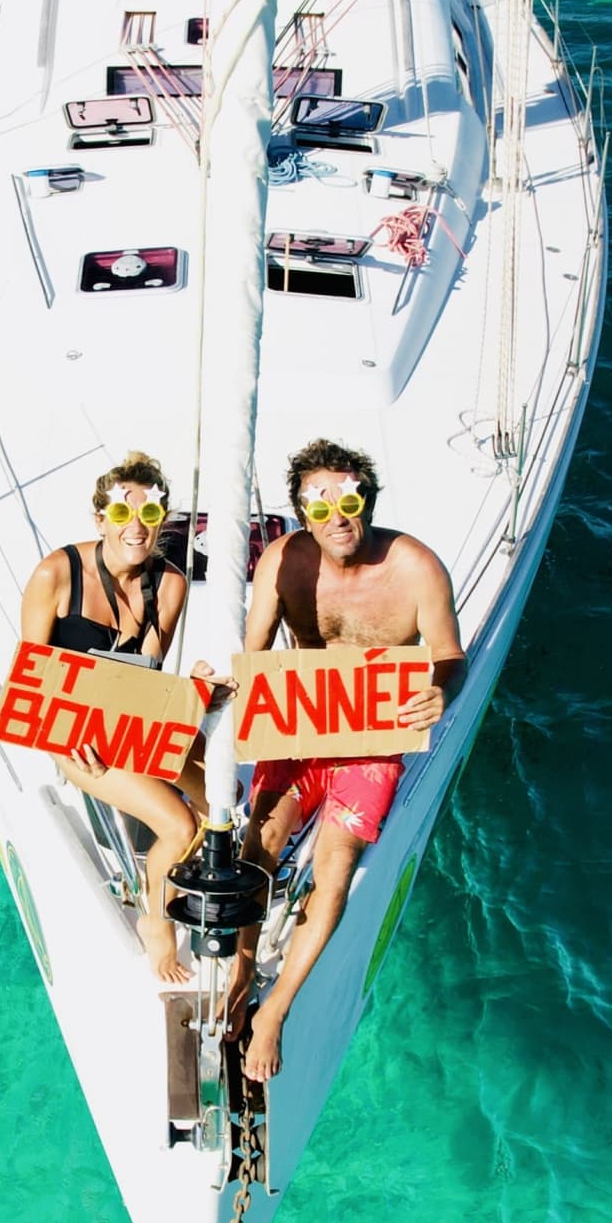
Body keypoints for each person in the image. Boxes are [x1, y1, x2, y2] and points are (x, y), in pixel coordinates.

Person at [229, 438, 468, 1080]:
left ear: (368, 500)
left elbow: (447, 652)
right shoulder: (284, 561)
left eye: (350, 499)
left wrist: (440, 692)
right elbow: (253, 658)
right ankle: (242, 967)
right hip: (303, 726)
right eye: (320, 502)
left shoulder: (414, 566)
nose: (338, 515)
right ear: (302, 511)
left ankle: (275, 1010)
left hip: (371, 740)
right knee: (261, 841)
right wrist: (222, 685)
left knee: (334, 866)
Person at [20, 453, 203, 983]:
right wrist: (65, 737)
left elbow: (145, 677)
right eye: (123, 514)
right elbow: (31, 678)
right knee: (179, 823)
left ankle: (175, 878)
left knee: (222, 802)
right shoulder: (56, 574)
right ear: (100, 519)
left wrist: (200, 690)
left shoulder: (169, 585)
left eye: (150, 514)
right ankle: (156, 924)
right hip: (72, 732)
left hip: (129, 717)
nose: (136, 527)